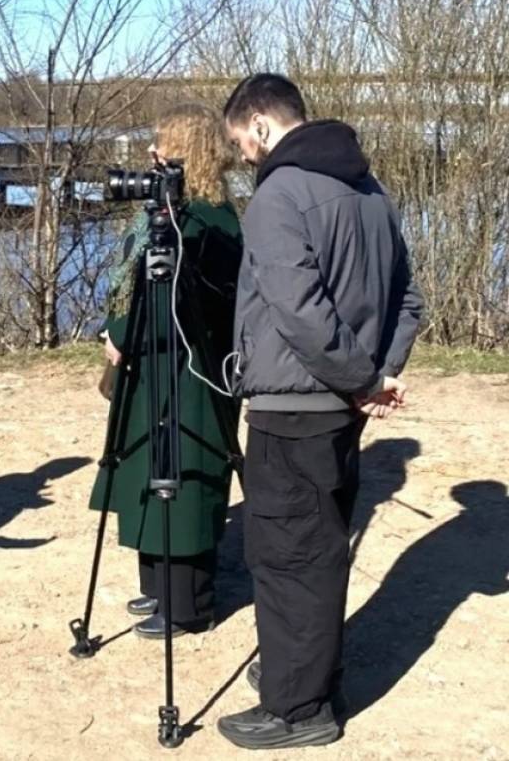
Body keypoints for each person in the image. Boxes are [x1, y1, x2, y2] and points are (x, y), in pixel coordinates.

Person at [215, 74, 424, 749]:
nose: (245, 157)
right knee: (322, 544)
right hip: (339, 407)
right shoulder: (371, 190)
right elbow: (409, 300)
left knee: (284, 554)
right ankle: (300, 671)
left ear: (263, 124)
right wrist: (377, 375)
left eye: (242, 142)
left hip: (291, 405)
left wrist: (366, 377)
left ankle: (300, 707)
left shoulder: (278, 196)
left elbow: (300, 312)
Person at [88, 103, 244, 639]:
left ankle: (187, 606)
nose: (151, 153)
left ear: (188, 154)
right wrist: (117, 329)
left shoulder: (205, 221)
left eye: (163, 145)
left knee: (185, 476)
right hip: (153, 366)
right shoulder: (173, 215)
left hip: (188, 371)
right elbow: (139, 285)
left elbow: (175, 301)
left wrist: (122, 334)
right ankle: (157, 586)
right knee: (146, 471)